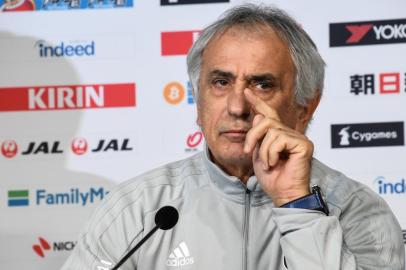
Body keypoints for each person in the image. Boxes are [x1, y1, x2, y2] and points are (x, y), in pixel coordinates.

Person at [62, 4, 405, 270]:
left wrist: (297, 206)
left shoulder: (359, 213)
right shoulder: (136, 211)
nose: (237, 106)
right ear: (198, 99)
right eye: (221, 82)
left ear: (305, 106)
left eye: (262, 84)